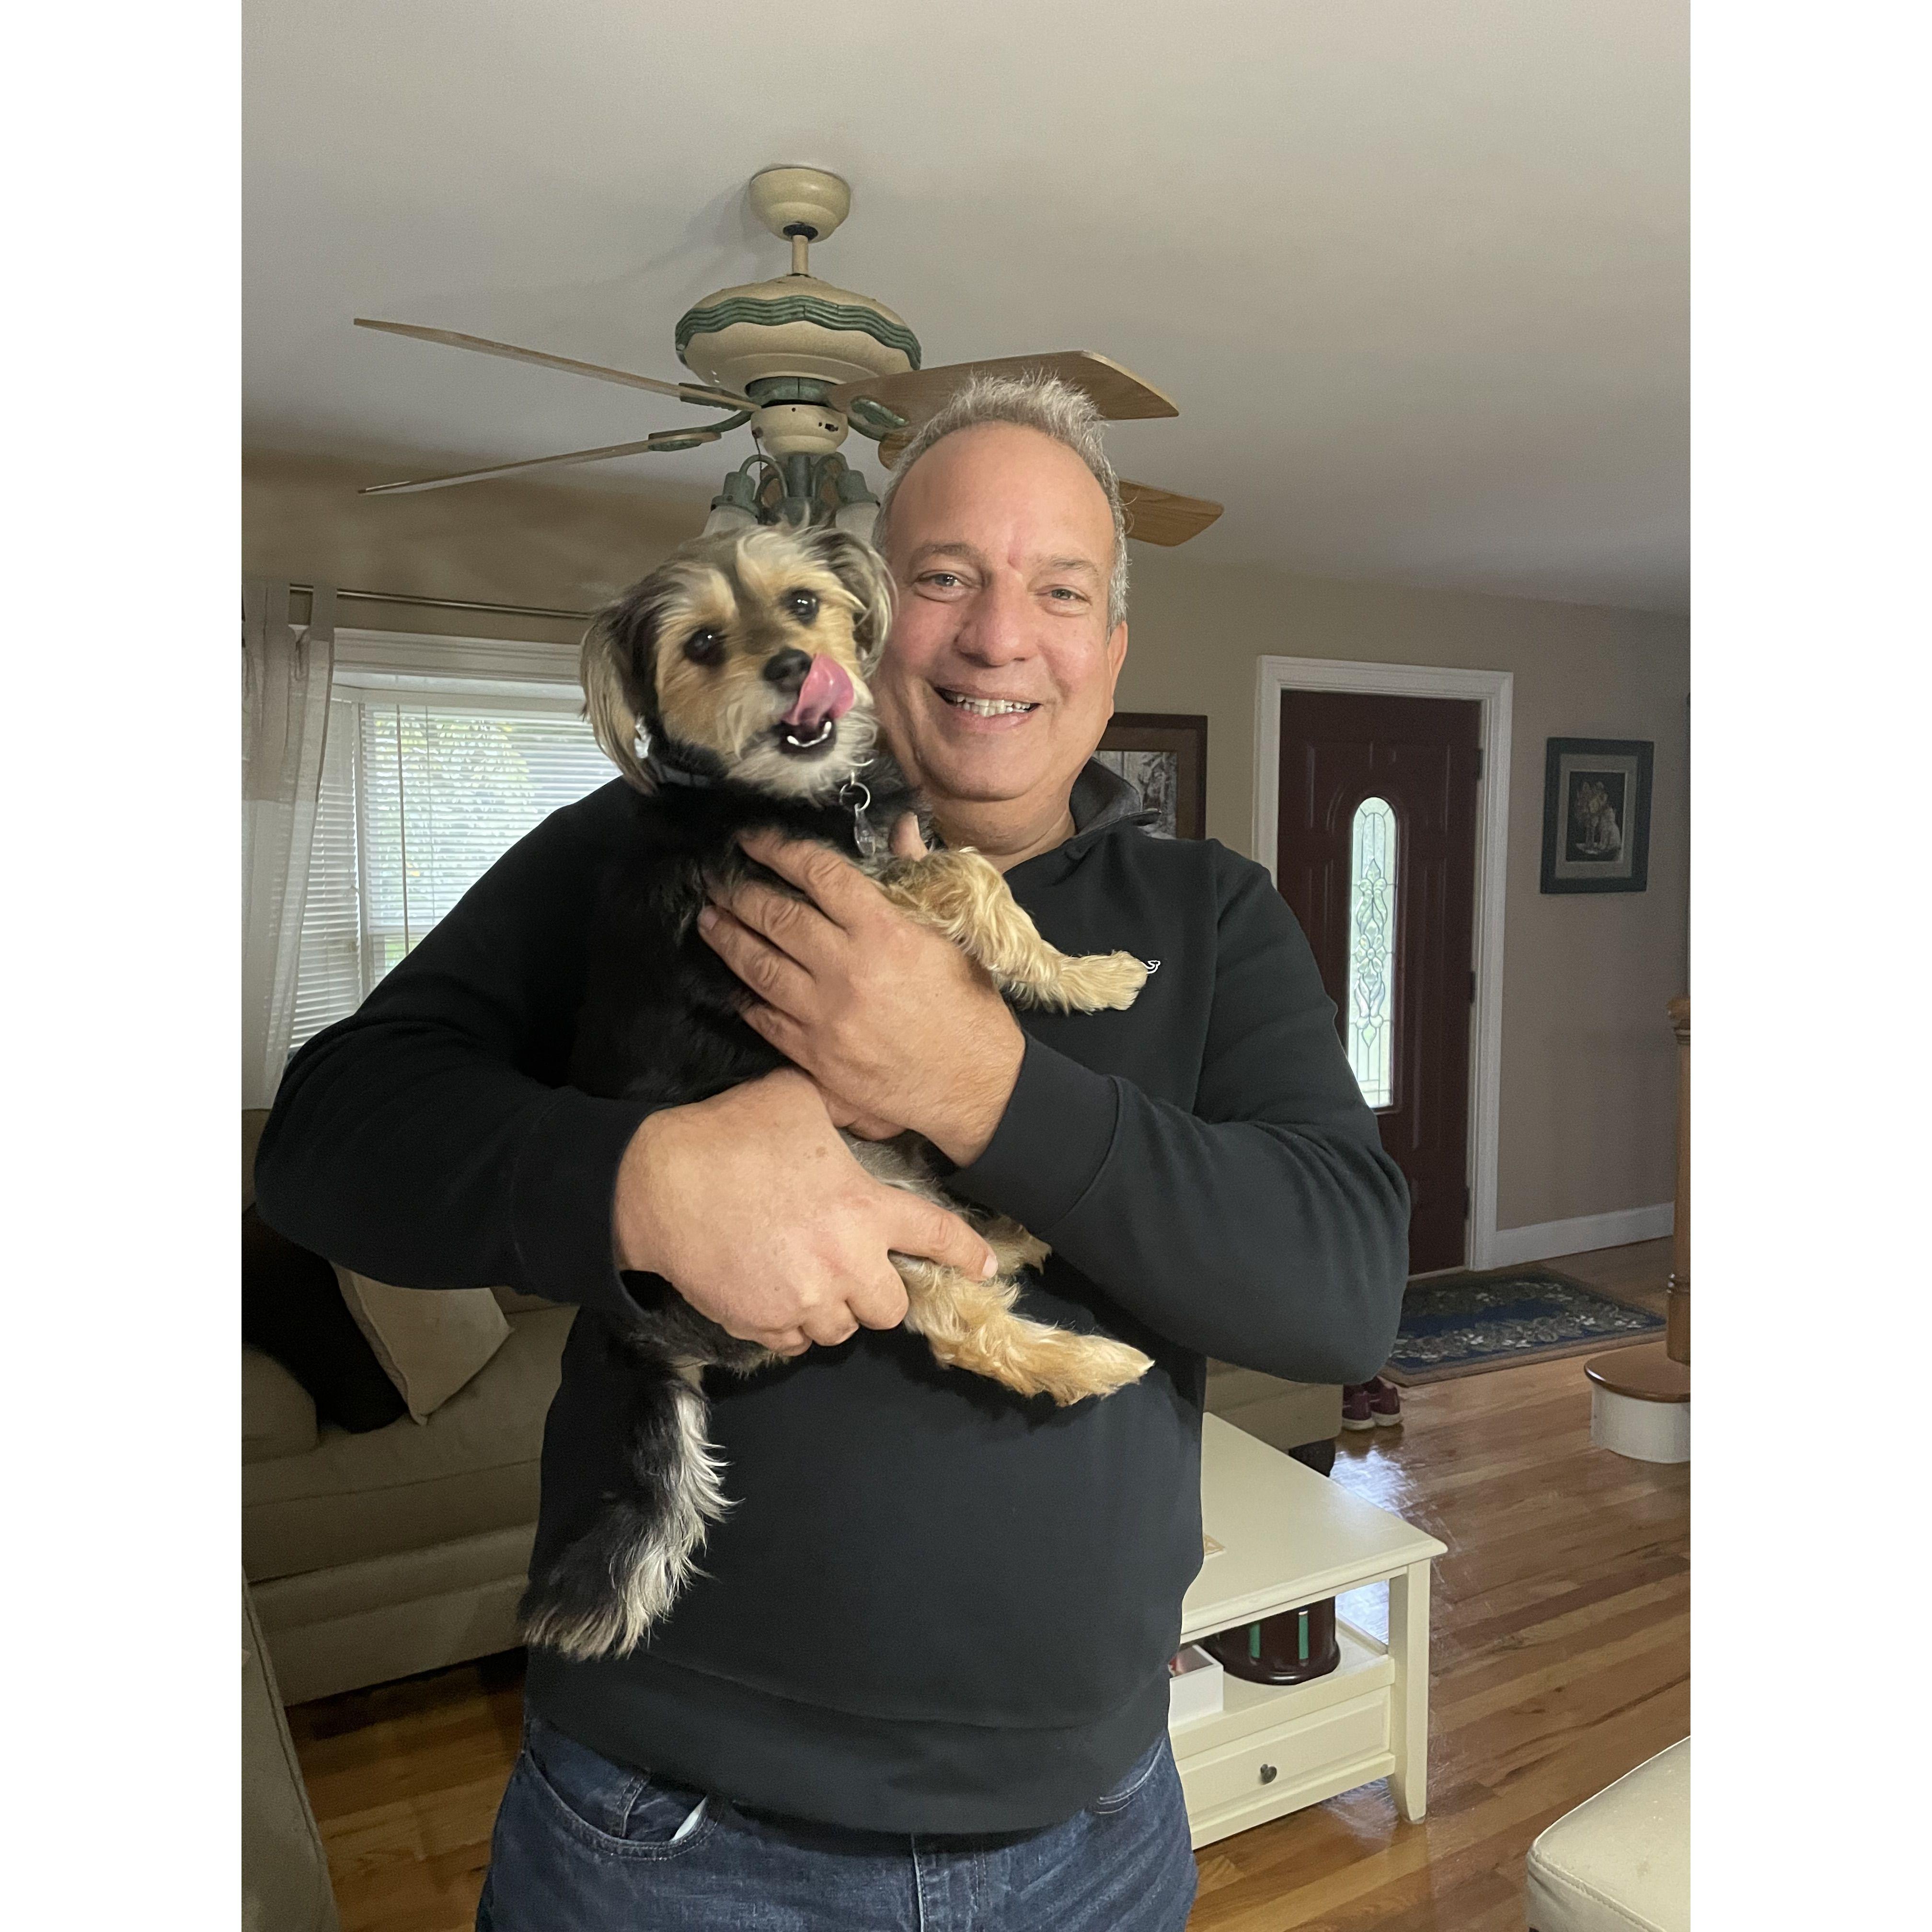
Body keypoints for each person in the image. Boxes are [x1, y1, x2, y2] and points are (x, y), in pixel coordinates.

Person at [254, 374, 1411, 1931]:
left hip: (1096, 1836)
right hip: (668, 1841)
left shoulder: (1215, 916)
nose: (999, 638)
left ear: (1112, 649)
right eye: (946, 577)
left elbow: (1347, 1292)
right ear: (869, 621)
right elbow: (327, 1134)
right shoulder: (658, 843)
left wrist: (981, 1083)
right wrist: (645, 1182)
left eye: (1061, 591)